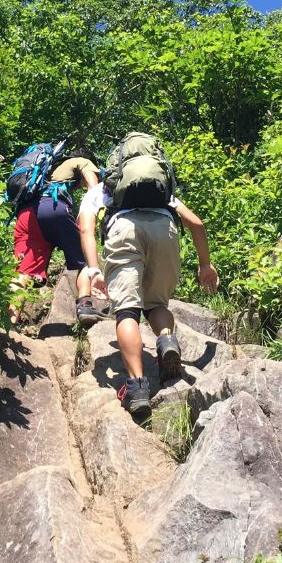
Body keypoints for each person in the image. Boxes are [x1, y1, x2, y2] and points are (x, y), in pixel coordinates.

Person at [77, 136, 219, 417]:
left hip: (124, 229)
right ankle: (167, 341)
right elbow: (196, 223)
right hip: (164, 229)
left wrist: (94, 270)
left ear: (118, 161)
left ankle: (137, 387)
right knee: (156, 305)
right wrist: (205, 265)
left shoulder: (109, 186)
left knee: (127, 311)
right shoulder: (161, 190)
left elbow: (85, 228)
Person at [10, 148, 109, 326]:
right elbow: (94, 192)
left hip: (26, 213)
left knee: (24, 271)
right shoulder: (82, 161)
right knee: (85, 258)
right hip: (53, 206)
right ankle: (85, 306)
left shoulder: (48, 168)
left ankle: (8, 322)